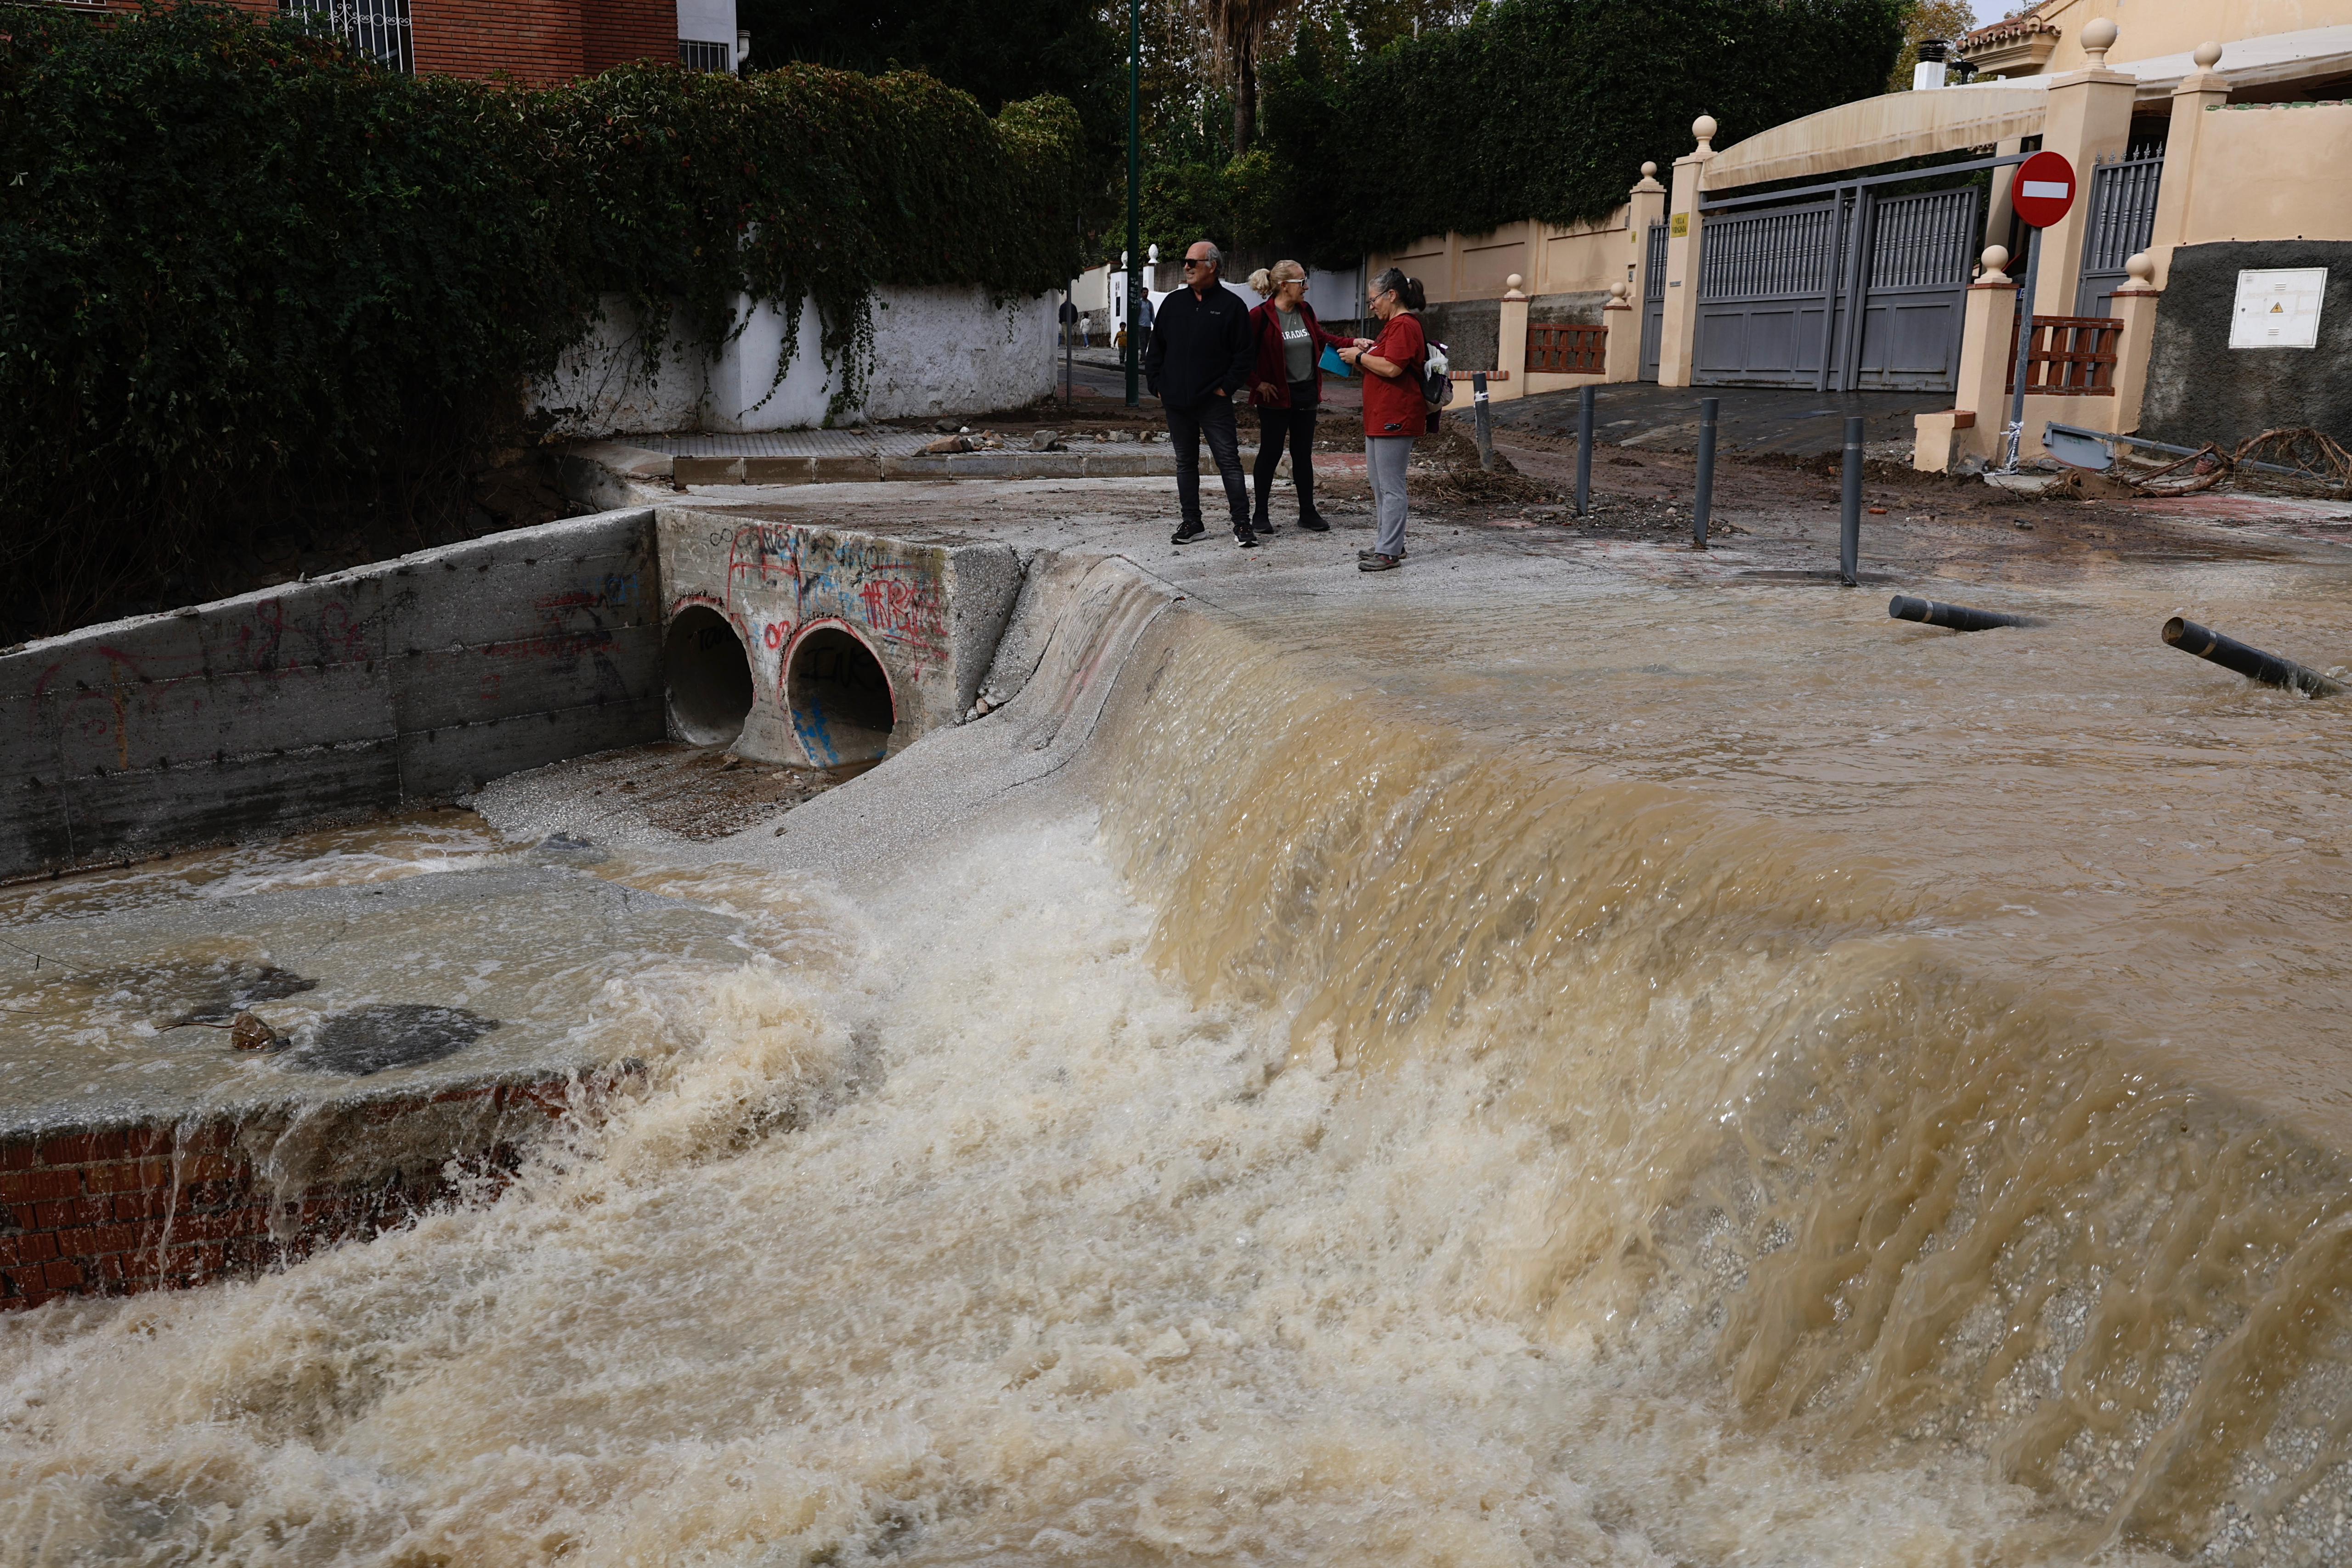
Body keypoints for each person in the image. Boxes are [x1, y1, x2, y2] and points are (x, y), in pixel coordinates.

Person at [1143, 240, 1257, 547]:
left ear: (1213, 266)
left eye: (1194, 262)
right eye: (1186, 262)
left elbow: (1244, 355)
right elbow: (1157, 349)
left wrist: (1226, 388)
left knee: (1228, 461)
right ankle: (1192, 523)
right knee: (1185, 462)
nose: (1187, 267)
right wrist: (1157, 385)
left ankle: (1243, 525)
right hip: (1176, 402)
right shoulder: (1173, 303)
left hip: (1214, 402)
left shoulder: (1232, 307)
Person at [1244, 261, 1347, 535]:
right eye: (1302, 282)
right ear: (1284, 285)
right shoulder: (1260, 316)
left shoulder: (1305, 311)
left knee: (1303, 455)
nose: (1307, 287)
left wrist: (1353, 343)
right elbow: (1240, 357)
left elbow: (1322, 338)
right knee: (1270, 453)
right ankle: (1261, 514)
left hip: (1306, 394)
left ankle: (1308, 513)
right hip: (1276, 398)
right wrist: (1257, 383)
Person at [1337, 268, 1427, 572]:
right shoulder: (1391, 326)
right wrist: (1363, 352)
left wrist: (1360, 358)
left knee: (1391, 486)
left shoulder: (1404, 325)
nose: (1371, 305)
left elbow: (1392, 369)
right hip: (1381, 416)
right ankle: (1389, 544)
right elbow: (1384, 363)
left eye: (1374, 299)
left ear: (1392, 295)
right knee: (1380, 485)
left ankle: (1388, 552)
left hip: (1396, 415)